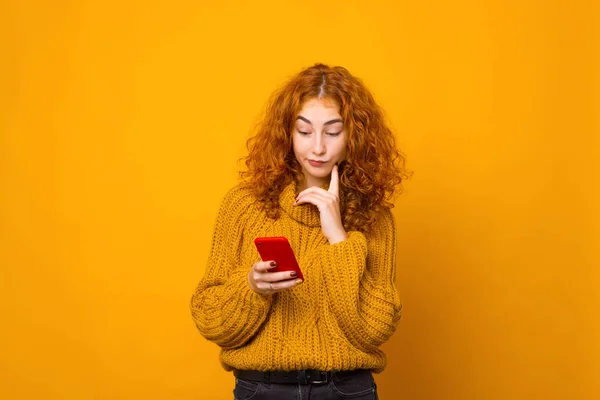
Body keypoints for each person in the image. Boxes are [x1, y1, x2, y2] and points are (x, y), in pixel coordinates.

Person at [190, 63, 407, 399]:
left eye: (333, 133)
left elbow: (373, 330)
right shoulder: (245, 205)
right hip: (263, 388)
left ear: (354, 137)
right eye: (304, 132)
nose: (317, 147)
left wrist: (339, 238)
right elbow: (210, 320)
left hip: (345, 390)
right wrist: (252, 287)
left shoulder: (373, 218)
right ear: (287, 134)